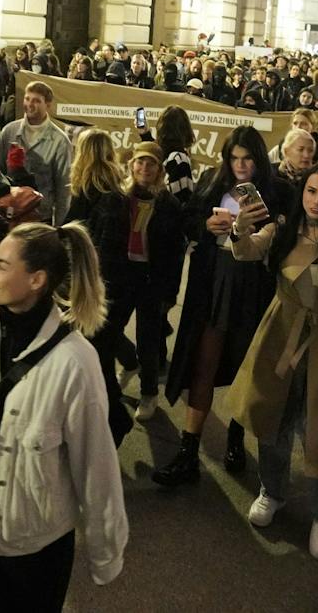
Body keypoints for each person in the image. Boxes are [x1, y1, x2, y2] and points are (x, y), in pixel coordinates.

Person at [0, 221, 127, 608]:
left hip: (35, 545)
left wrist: (105, 552)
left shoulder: (76, 363)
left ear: (37, 279)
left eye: (2, 265)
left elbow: (96, 466)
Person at [227, 164, 318, 560]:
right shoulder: (282, 230)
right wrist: (239, 226)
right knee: (272, 418)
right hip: (280, 334)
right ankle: (272, 490)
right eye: (311, 191)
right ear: (302, 193)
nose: (317, 201)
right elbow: (244, 251)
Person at [86, 142, 187, 429]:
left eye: (151, 163)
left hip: (151, 280)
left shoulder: (169, 205)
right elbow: (96, 235)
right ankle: (118, 375)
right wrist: (95, 277)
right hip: (117, 277)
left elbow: (176, 253)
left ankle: (148, 393)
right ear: (131, 165)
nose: (144, 168)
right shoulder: (114, 198)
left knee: (149, 339)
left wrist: (170, 292)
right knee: (108, 332)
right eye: (140, 162)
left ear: (159, 170)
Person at [0, 81, 73, 224]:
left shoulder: (60, 141)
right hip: (9, 216)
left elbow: (64, 189)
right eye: (27, 98)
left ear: (48, 105)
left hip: (41, 218)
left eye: (36, 101)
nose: (29, 104)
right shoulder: (8, 132)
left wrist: (59, 227)